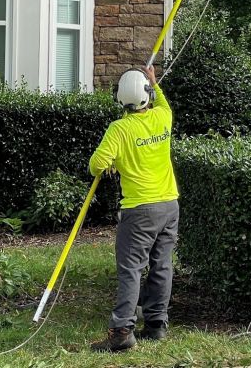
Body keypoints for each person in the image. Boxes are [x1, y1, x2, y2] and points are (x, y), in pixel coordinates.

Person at [89, 65, 179, 353]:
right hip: (169, 205)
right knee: (162, 265)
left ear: (119, 98)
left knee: (131, 269)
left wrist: (113, 162)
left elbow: (96, 165)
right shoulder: (163, 117)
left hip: (139, 210)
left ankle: (121, 333)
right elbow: (163, 101)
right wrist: (154, 81)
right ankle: (156, 325)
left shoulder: (119, 129)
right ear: (147, 94)